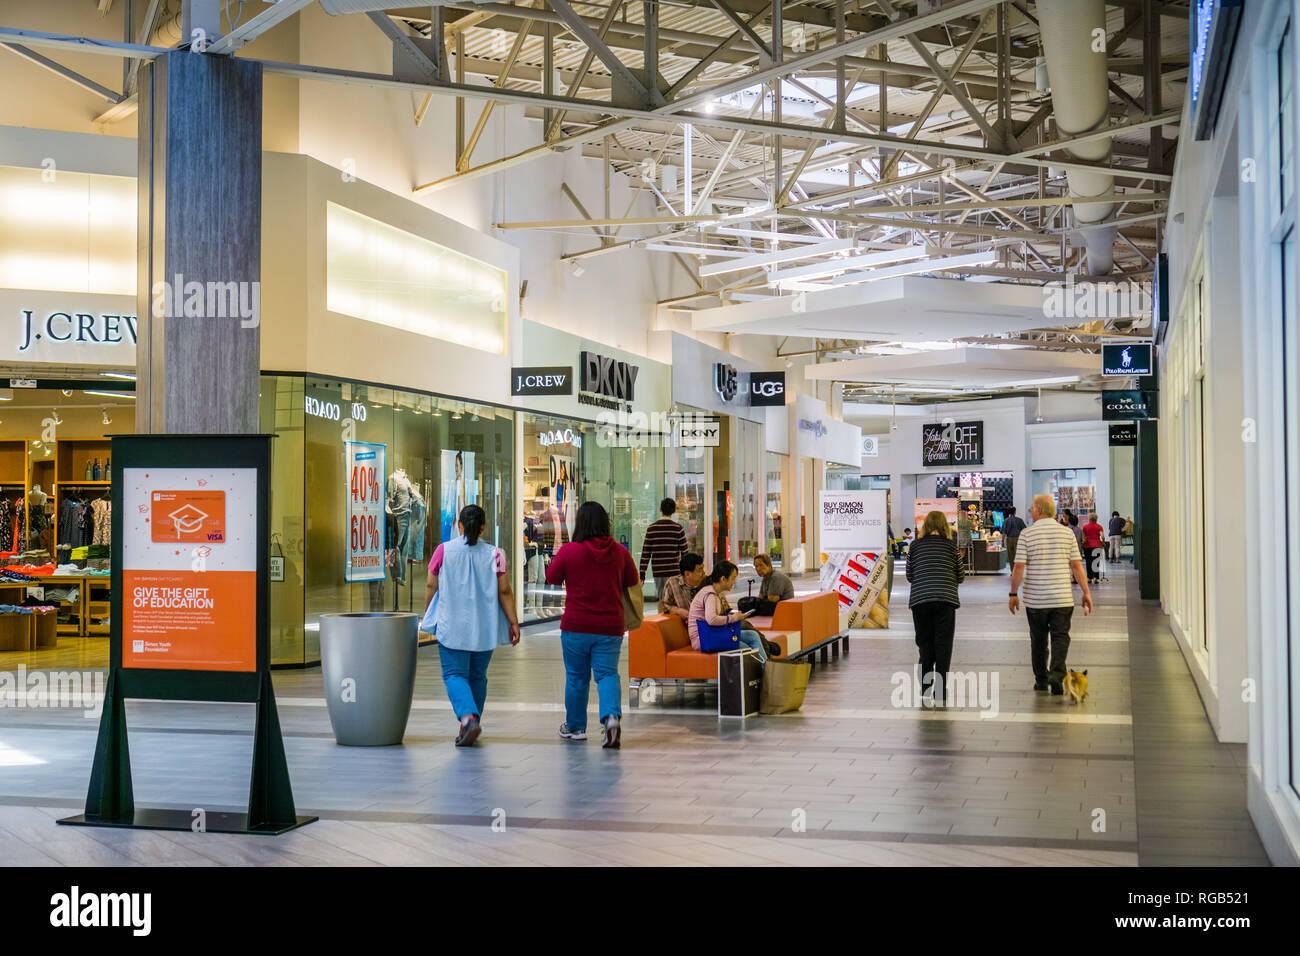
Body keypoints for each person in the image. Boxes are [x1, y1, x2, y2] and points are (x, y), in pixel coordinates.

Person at [545, 501, 640, 749]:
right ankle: (610, 718)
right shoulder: (620, 552)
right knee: (607, 674)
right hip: (610, 627)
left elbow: (551, 577)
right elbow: (632, 580)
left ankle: (575, 728)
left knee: (577, 678)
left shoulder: (569, 551)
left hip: (576, 625)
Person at [424, 504, 520, 747]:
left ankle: (468, 718)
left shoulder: (443, 551)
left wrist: (428, 613)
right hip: (484, 628)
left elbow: (431, 586)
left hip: (451, 626)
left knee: (455, 674)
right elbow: (505, 591)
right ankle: (470, 722)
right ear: (484, 527)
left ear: (459, 525)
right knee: (477, 676)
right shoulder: (496, 555)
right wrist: (513, 622)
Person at [1009, 494, 1093, 695]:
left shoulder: (1027, 534)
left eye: (1031, 508)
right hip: (1062, 598)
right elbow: (1076, 566)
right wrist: (1086, 592)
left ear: (1039, 510)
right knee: (1060, 638)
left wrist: (1013, 593)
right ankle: (1057, 676)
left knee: (1038, 641)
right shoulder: (1067, 534)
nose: (1030, 511)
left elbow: (1018, 567)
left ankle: (1041, 680)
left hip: (1036, 601)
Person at [906, 510, 964, 706]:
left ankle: (925, 687)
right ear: (944, 526)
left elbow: (909, 575)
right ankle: (940, 690)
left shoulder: (914, 546)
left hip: (920, 601)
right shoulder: (951, 547)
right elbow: (961, 576)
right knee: (943, 645)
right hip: (945, 600)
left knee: (925, 644)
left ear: (925, 526)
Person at [688, 561, 767, 663]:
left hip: (712, 633)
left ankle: (766, 670)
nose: (734, 582)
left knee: (752, 635)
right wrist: (734, 618)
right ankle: (763, 673)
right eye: (733, 578)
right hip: (703, 639)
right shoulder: (710, 595)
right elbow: (711, 619)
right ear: (723, 579)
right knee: (745, 648)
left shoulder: (715, 593)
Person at [638, 497, 688, 597]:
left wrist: (642, 574)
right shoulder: (678, 529)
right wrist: (684, 571)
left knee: (662, 598)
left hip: (658, 570)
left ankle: (661, 613)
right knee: (674, 598)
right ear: (674, 511)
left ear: (660, 509)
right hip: (674, 571)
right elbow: (685, 552)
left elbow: (646, 553)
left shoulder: (651, 529)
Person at [659, 552, 705, 622]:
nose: (703, 573)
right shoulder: (673, 583)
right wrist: (678, 611)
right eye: (700, 570)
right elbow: (664, 605)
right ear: (687, 574)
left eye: (703, 569)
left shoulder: (706, 584)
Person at [1081, 512, 1105, 584]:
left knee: (1088, 562)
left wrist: (1083, 543)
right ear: (1096, 519)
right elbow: (1102, 536)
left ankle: (1089, 578)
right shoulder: (1099, 526)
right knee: (1096, 562)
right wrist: (1103, 542)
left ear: (1089, 519)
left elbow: (1084, 538)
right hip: (1097, 546)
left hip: (1087, 546)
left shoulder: (1085, 527)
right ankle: (1096, 578)